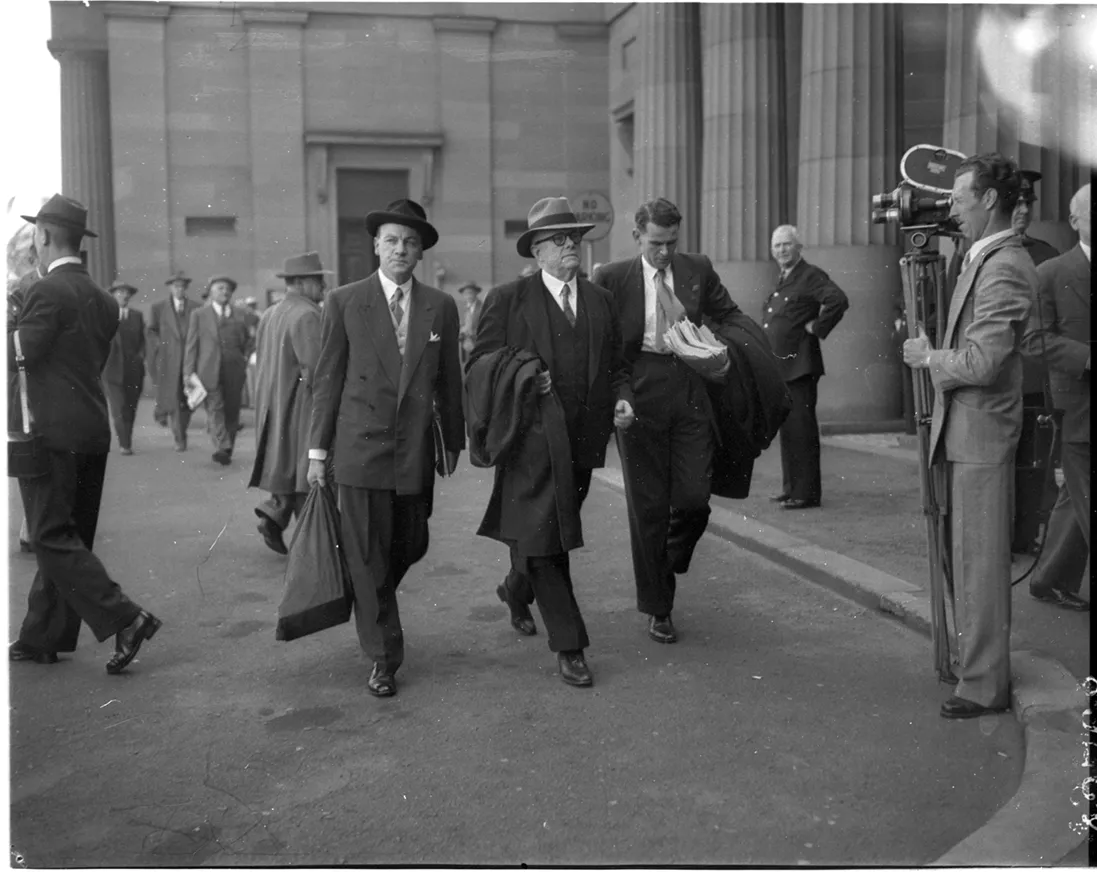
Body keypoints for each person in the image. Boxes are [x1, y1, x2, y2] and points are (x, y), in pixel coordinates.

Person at [468, 197, 633, 688]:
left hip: (583, 444)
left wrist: (622, 397)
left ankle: (516, 590)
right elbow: (479, 365)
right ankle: (570, 645)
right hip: (530, 442)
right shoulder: (507, 300)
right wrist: (522, 377)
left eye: (575, 239)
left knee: (547, 533)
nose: (570, 247)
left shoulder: (601, 300)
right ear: (537, 250)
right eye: (559, 240)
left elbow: (618, 365)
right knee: (546, 541)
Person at [306, 199, 465, 698]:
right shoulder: (345, 301)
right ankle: (384, 656)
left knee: (411, 543)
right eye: (393, 240)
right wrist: (316, 452)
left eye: (411, 242)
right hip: (358, 450)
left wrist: (454, 441)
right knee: (369, 556)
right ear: (376, 245)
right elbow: (326, 379)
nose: (401, 249)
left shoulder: (440, 305)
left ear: (421, 252)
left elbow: (449, 381)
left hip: (413, 451)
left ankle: (367, 597)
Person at [903, 153, 1035, 718]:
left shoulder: (1003, 263)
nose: (950, 206)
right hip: (971, 431)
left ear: (987, 200)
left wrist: (929, 356)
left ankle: (983, 685)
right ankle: (976, 670)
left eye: (959, 198)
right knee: (968, 555)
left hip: (981, 431)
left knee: (980, 560)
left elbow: (981, 363)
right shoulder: (985, 255)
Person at [592, 197, 758, 645]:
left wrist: (720, 348)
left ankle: (666, 560)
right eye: (656, 243)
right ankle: (659, 607)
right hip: (639, 390)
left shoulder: (697, 268)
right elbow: (608, 350)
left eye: (671, 242)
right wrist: (619, 398)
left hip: (689, 387)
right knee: (647, 508)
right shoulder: (611, 278)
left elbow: (729, 314)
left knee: (693, 497)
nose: (665, 252)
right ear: (637, 237)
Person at [8, 194, 161, 672]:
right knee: (70, 537)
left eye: (35, 233)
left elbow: (19, 356)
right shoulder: (101, 298)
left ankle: (127, 618)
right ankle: (44, 635)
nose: (34, 241)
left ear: (47, 236)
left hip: (46, 433)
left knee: (51, 537)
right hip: (91, 432)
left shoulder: (44, 291)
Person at [1022, 182, 1091, 611]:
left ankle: (1048, 579)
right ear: (1075, 220)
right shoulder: (1051, 272)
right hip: (1079, 408)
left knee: (1076, 499)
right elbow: (1033, 341)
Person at [762, 225, 850, 509]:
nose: (782, 250)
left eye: (787, 245)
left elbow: (838, 299)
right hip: (783, 368)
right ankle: (792, 487)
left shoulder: (809, 274)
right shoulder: (785, 277)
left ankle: (806, 493)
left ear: (798, 247)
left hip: (800, 366)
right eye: (777, 246)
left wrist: (818, 326)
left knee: (801, 430)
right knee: (788, 431)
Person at [249, 253, 331, 555]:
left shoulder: (271, 312)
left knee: (288, 471)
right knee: (306, 478)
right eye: (318, 279)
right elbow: (318, 371)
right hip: (301, 408)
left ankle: (275, 517)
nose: (323, 285)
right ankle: (312, 548)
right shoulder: (308, 315)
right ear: (301, 282)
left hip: (275, 404)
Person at [1010, 169, 1062, 555]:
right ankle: (999, 536)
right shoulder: (973, 253)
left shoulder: (1046, 255)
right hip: (996, 377)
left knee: (1034, 463)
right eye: (1017, 202)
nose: (1024, 209)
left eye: (1029, 202)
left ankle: (1026, 536)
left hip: (1035, 378)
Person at [183, 275, 252, 466]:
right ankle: (223, 446)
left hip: (234, 370)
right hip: (208, 371)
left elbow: (248, 340)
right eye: (220, 288)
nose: (225, 292)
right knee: (215, 409)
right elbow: (191, 345)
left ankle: (226, 448)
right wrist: (188, 373)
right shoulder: (199, 314)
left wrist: (243, 357)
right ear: (211, 291)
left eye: (228, 289)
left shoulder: (240, 314)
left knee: (231, 411)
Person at [147, 270, 201, 450]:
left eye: (182, 287)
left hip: (190, 361)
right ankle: (180, 438)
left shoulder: (196, 307)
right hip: (169, 361)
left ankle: (178, 427)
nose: (179, 290)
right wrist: (161, 346)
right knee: (175, 398)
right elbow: (151, 331)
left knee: (190, 400)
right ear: (170, 288)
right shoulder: (158, 308)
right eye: (176, 286)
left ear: (186, 288)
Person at [102, 280, 146, 456]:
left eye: (127, 293)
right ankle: (124, 443)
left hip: (134, 369)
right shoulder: (105, 316)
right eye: (120, 293)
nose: (124, 296)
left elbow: (143, 340)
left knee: (130, 407)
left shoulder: (137, 316)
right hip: (112, 370)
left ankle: (127, 437)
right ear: (113, 295)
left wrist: (141, 356)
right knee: (118, 408)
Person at [457, 281, 482, 366]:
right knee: (466, 366)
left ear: (476, 293)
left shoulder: (482, 307)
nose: (469, 296)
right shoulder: (463, 309)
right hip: (465, 343)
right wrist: (461, 331)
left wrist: (473, 335)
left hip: (478, 343)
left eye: (471, 293)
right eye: (466, 294)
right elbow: (460, 324)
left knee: (478, 366)